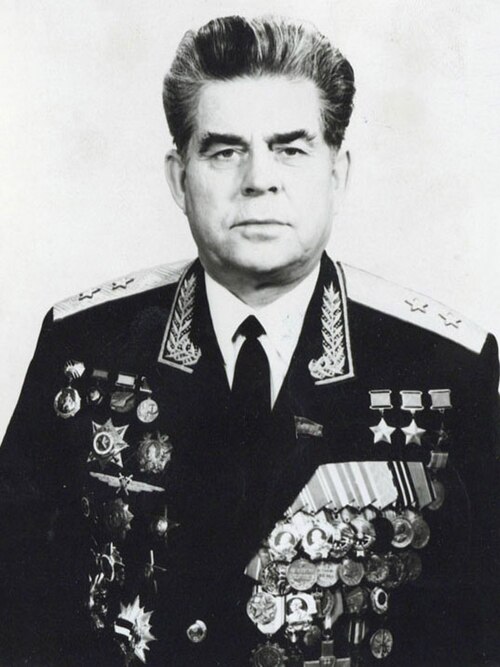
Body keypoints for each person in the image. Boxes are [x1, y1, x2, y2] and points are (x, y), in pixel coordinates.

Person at [0, 13, 498, 667]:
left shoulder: (444, 369)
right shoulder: (86, 347)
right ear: (179, 178)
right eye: (225, 151)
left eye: (290, 149)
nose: (259, 178)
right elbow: (17, 614)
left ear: (338, 174)